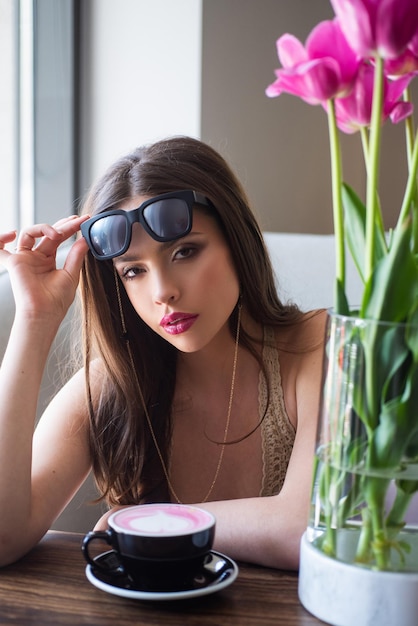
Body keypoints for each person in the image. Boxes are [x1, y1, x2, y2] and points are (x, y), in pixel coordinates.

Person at [0, 136, 325, 569]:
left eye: (185, 251)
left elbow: (307, 529)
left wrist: (151, 519)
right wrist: (35, 321)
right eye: (133, 270)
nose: (163, 292)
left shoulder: (317, 345)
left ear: (236, 240)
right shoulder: (112, 384)